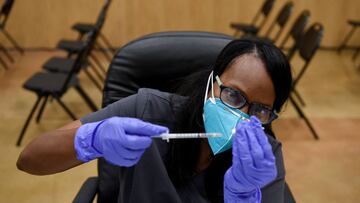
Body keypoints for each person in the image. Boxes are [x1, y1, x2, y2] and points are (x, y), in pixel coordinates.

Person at [17, 38, 292, 203]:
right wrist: (90, 139)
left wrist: (243, 197)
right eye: (233, 95)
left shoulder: (263, 159)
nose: (241, 117)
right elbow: (29, 159)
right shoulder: (148, 110)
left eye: (260, 110)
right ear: (212, 83)